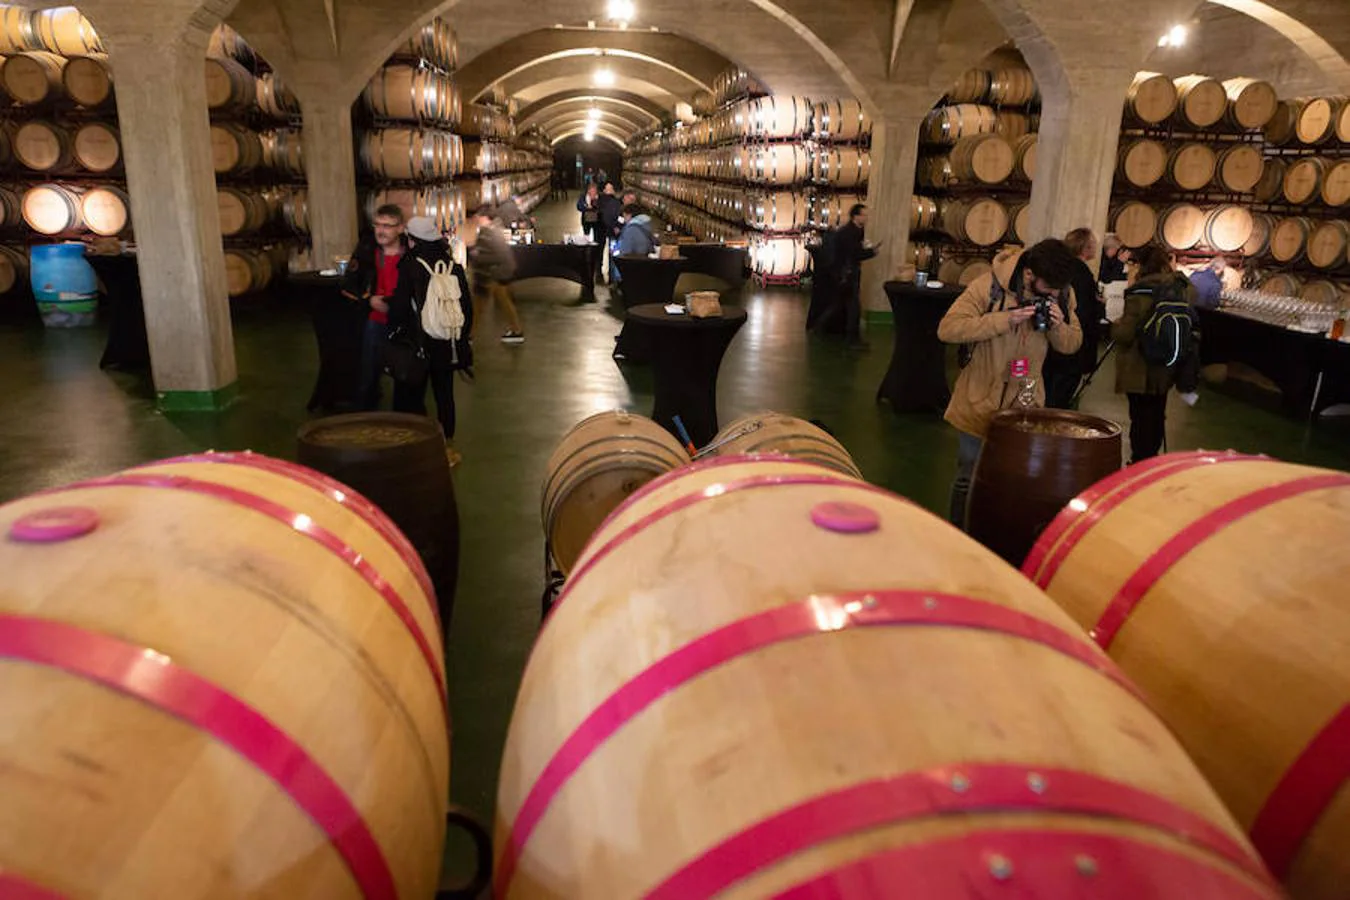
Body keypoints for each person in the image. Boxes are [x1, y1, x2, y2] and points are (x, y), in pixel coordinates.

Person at [937, 239, 1083, 530]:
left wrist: (1059, 325)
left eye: (1059, 290)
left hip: (1026, 402)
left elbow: (1072, 344)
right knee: (969, 474)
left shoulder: (1062, 292)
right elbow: (948, 329)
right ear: (1029, 275)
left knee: (1014, 478)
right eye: (1049, 288)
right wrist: (1004, 320)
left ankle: (996, 536)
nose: (1055, 294)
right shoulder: (987, 286)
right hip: (979, 397)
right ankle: (957, 533)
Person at [387, 216, 474, 467]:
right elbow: (466, 307)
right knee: (445, 395)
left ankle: (415, 447)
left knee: (413, 396)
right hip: (447, 344)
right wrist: (460, 336)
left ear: (412, 240)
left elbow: (401, 307)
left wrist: (395, 333)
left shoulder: (410, 265)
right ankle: (447, 448)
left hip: (420, 344)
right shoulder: (453, 266)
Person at [1111, 245, 1198, 463]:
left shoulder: (1140, 292)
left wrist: (1115, 326)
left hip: (1139, 366)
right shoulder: (1181, 289)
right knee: (1157, 412)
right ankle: (1152, 458)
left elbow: (1125, 334)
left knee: (1140, 417)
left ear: (1140, 265)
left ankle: (1139, 460)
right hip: (1167, 364)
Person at [341, 203, 407, 410]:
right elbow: (348, 283)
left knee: (405, 374)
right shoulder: (367, 249)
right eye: (377, 224)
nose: (381, 230)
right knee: (368, 372)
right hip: (375, 321)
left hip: (405, 322)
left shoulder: (411, 251)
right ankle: (366, 415)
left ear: (400, 228)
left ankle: (403, 416)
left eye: (387, 226)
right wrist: (367, 300)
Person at [1043, 227, 1105, 409]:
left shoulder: (1061, 269)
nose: (1096, 247)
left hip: (1053, 344)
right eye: (1093, 244)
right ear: (1085, 247)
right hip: (1071, 347)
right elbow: (1083, 315)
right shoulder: (1082, 274)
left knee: (1049, 390)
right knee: (1059, 399)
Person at [813, 203, 877, 349]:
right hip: (846, 274)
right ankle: (852, 340)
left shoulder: (855, 231)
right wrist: (871, 252)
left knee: (839, 304)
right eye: (864, 215)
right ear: (856, 216)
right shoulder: (849, 232)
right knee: (853, 307)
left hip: (844, 273)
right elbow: (853, 254)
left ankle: (820, 326)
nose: (866, 218)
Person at [468, 205, 524, 343]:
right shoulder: (490, 230)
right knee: (481, 304)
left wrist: (476, 256)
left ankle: (517, 331)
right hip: (491, 273)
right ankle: (470, 334)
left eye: (479, 217)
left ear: (485, 218)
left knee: (495, 303)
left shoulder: (492, 232)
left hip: (496, 273)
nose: (477, 219)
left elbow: (499, 256)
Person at [598, 183, 623, 283]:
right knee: (613, 253)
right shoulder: (610, 202)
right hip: (611, 231)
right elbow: (607, 217)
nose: (611, 190)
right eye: (609, 188)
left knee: (611, 252)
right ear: (604, 190)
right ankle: (613, 277)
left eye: (612, 188)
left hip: (608, 231)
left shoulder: (613, 201)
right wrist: (615, 226)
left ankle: (612, 275)